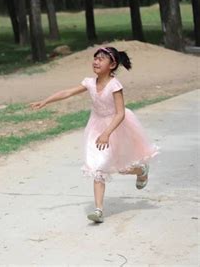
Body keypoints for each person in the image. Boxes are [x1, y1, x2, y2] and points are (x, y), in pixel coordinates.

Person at [30, 46, 158, 223]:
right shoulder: (90, 82)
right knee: (98, 168)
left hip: (116, 127)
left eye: (101, 59)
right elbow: (68, 92)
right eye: (95, 58)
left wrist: (107, 133)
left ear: (112, 65)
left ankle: (141, 169)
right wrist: (45, 101)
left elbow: (120, 113)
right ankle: (98, 211)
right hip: (96, 127)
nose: (96, 61)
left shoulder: (115, 85)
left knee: (120, 167)